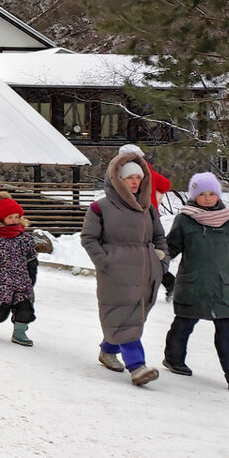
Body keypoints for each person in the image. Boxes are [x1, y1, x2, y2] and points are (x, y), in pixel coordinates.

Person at [81, 150, 169, 386]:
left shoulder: (146, 208)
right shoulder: (101, 207)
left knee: (130, 317)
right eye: (129, 177)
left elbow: (159, 236)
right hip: (116, 274)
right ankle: (137, 366)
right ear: (117, 179)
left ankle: (107, 349)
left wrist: (161, 261)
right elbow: (89, 238)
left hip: (145, 272)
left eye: (138, 178)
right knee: (125, 317)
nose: (134, 182)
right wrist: (105, 262)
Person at [162, 172, 229, 391]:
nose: (207, 198)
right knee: (182, 325)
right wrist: (156, 263)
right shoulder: (185, 220)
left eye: (212, 193)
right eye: (202, 193)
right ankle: (173, 359)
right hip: (192, 286)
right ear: (194, 195)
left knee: (227, 331)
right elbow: (170, 249)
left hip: (223, 288)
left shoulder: (228, 221)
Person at [0, 192, 39, 346]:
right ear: (1, 218)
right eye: (10, 217)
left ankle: (19, 333)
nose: (14, 220)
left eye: (16, 217)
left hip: (23, 280)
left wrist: (32, 274)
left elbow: (31, 257)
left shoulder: (24, 238)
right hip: (2, 280)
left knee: (25, 306)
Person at [120, 144, 176, 299]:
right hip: (150, 217)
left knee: (145, 254)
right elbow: (166, 184)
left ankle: (167, 283)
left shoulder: (121, 174)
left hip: (141, 217)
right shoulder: (149, 172)